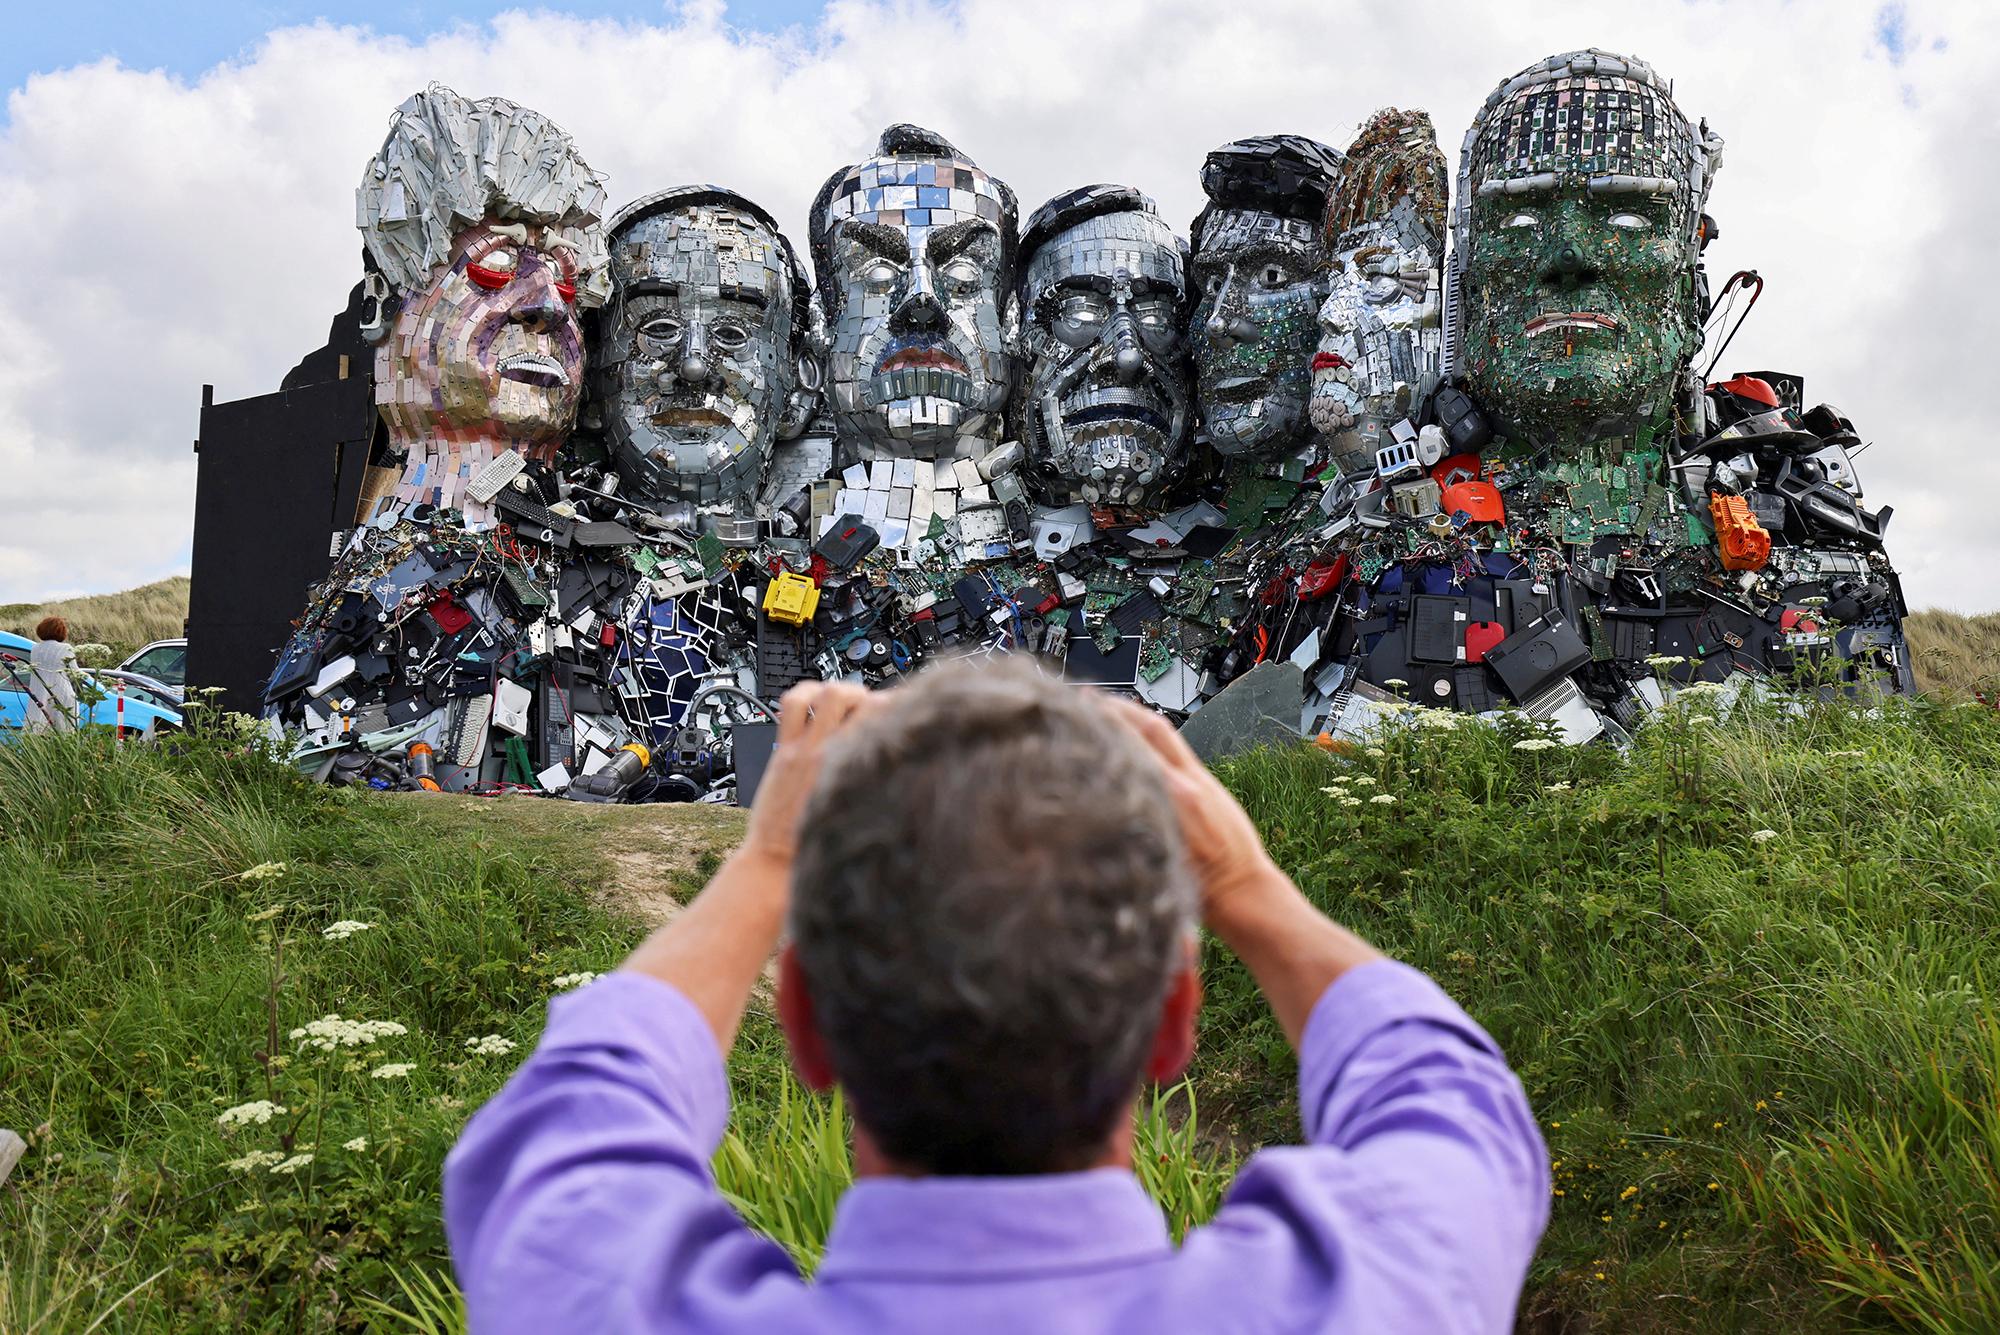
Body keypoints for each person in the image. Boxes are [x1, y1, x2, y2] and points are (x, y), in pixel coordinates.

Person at [444, 661, 1549, 1331]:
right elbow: (1447, 1101)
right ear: (1175, 1023)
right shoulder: (1367, 1299)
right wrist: (1248, 887)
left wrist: (766, 862)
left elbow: (567, 1123)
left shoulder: (607, 1303)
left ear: (806, 1030)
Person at [25, 616, 79, 733]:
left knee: (38, 729)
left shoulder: (35, 649)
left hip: (39, 694)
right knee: (64, 730)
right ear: (61, 631)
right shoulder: (65, 648)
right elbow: (75, 673)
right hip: (61, 694)